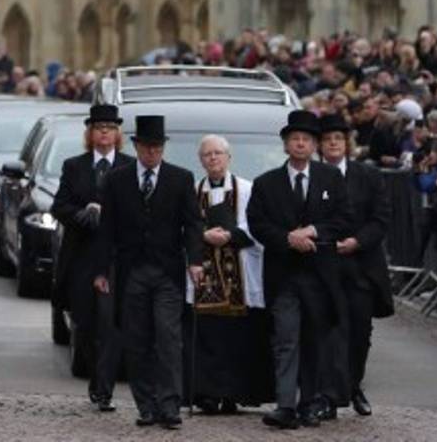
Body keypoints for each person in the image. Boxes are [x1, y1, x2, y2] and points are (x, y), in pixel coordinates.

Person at [93, 115, 204, 429]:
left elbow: (193, 224)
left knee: (168, 338)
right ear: (137, 146)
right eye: (146, 147)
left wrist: (195, 260)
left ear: (163, 148)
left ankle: (170, 405)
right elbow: (107, 229)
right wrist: (102, 270)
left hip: (167, 270)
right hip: (132, 272)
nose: (152, 152)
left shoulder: (180, 179)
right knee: (137, 339)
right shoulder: (117, 179)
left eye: (157, 147)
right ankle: (147, 405)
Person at [248, 110, 351, 430]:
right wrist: (287, 239)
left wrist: (314, 232)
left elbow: (343, 218)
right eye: (295, 139)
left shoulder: (331, 179)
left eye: (306, 139)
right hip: (284, 275)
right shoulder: (266, 184)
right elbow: (257, 223)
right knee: (286, 338)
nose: (301, 144)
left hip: (320, 275)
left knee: (315, 340)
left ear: (314, 145)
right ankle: (285, 405)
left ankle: (310, 403)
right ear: (285, 144)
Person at [50, 103, 133, 412]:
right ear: (90, 133)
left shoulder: (128, 165)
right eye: (99, 128)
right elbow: (59, 207)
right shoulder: (75, 166)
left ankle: (104, 388)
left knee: (110, 325)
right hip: (82, 256)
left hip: (114, 259)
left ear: (117, 134)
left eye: (110, 128)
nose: (104, 133)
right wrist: (82, 214)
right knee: (84, 323)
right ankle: (95, 378)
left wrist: (109, 214)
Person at [184, 134, 273, 414]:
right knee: (208, 337)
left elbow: (258, 226)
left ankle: (236, 393)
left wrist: (230, 235)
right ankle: (207, 394)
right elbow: (183, 228)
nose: (213, 158)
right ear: (200, 160)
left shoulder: (248, 190)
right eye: (207, 154)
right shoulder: (191, 192)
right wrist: (202, 235)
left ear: (228, 157)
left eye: (218, 153)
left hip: (241, 275)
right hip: (204, 278)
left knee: (239, 338)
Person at [316, 114, 393, 419]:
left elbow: (381, 218)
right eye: (327, 139)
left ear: (346, 143)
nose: (333, 143)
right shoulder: (315, 176)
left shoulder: (368, 176)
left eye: (338, 138)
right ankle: (330, 394)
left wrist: (357, 242)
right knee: (330, 330)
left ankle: (353, 384)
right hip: (324, 264)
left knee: (360, 331)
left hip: (361, 265)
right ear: (320, 146)